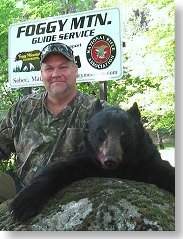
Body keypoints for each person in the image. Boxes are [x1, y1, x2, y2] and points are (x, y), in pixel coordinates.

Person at [0, 42, 107, 203]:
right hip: (21, 187)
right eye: (49, 69)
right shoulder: (22, 108)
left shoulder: (98, 111)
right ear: (41, 74)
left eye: (63, 67)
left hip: (71, 196)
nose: (56, 74)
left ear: (75, 70)